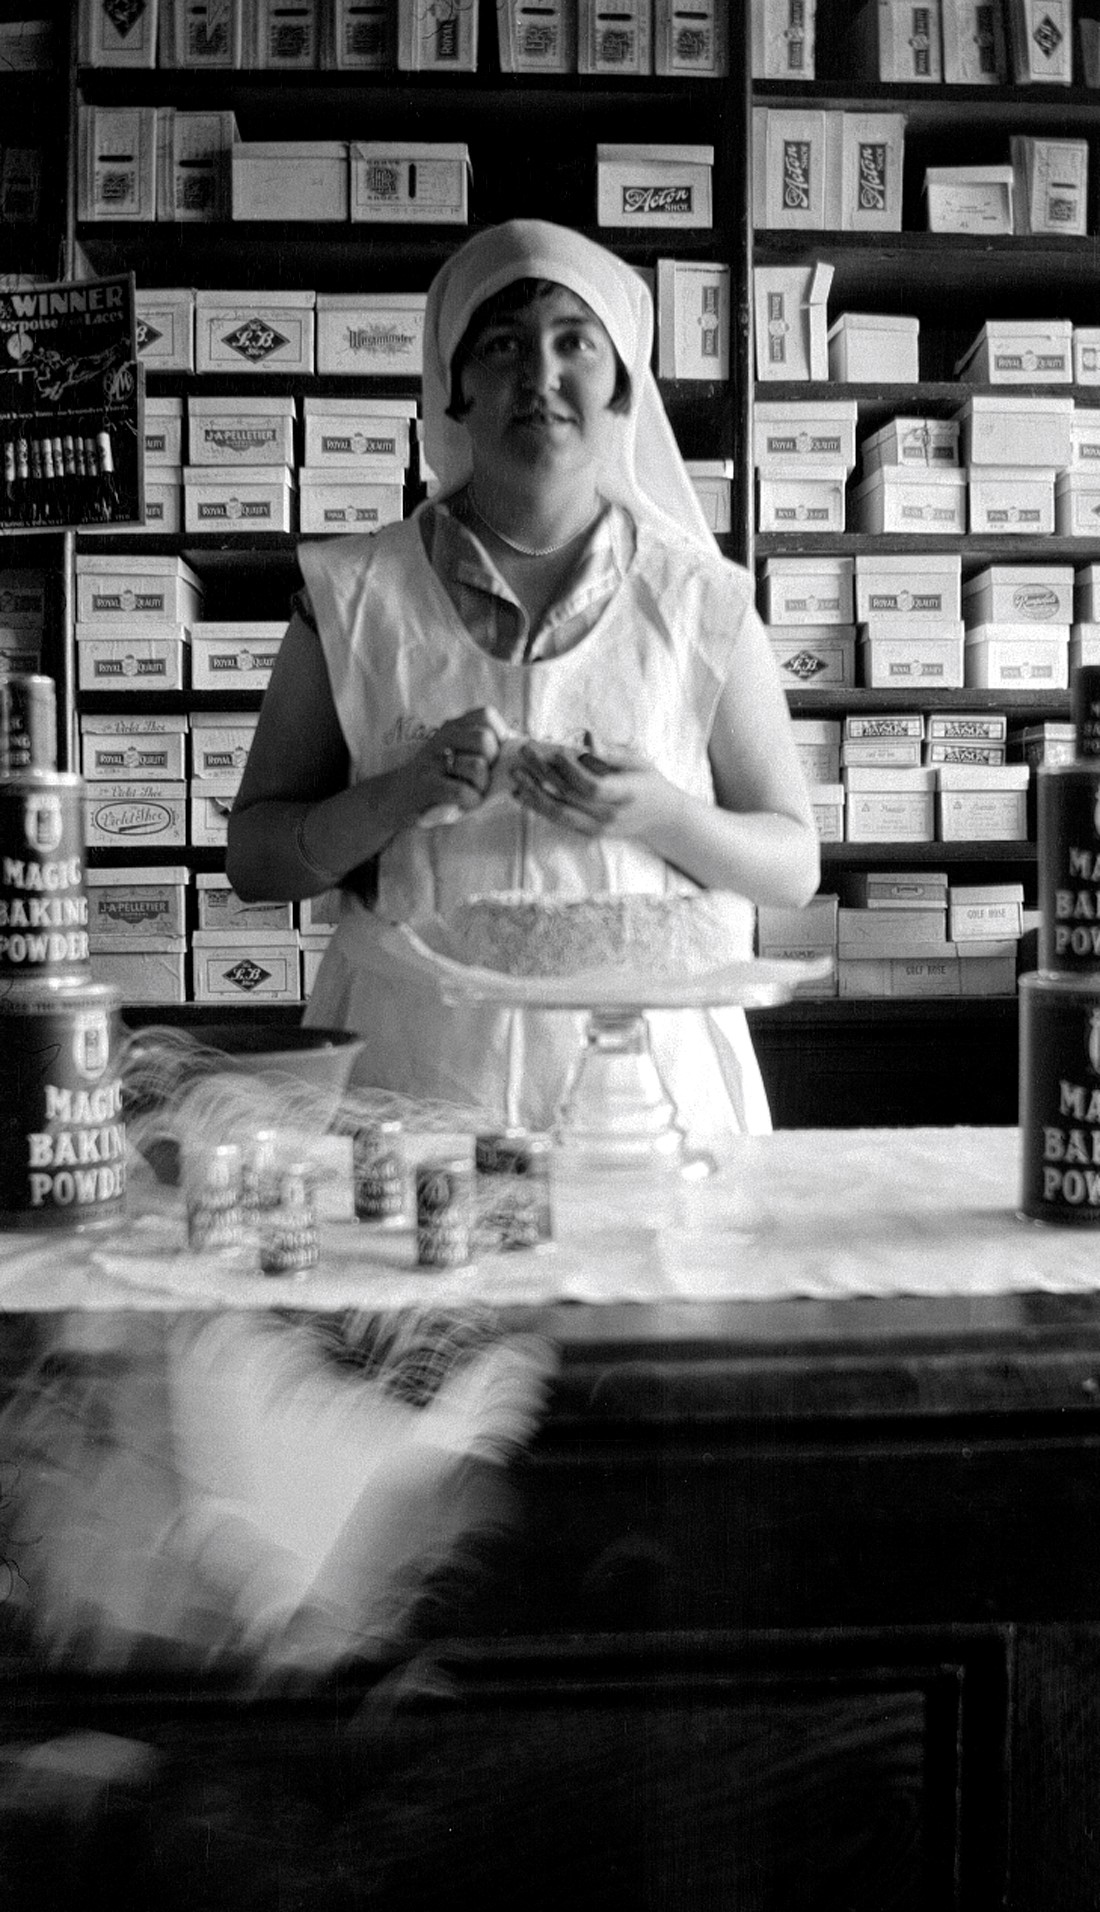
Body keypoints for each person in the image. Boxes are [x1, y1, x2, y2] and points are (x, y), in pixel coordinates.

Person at [226, 219, 820, 1143]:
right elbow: (256, 862)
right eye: (501, 345)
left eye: (574, 341)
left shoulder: (704, 603)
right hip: (412, 1087)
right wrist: (400, 795)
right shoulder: (348, 596)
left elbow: (793, 864)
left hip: (653, 1101)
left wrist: (660, 814)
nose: (539, 375)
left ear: (623, 381)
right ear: (454, 388)